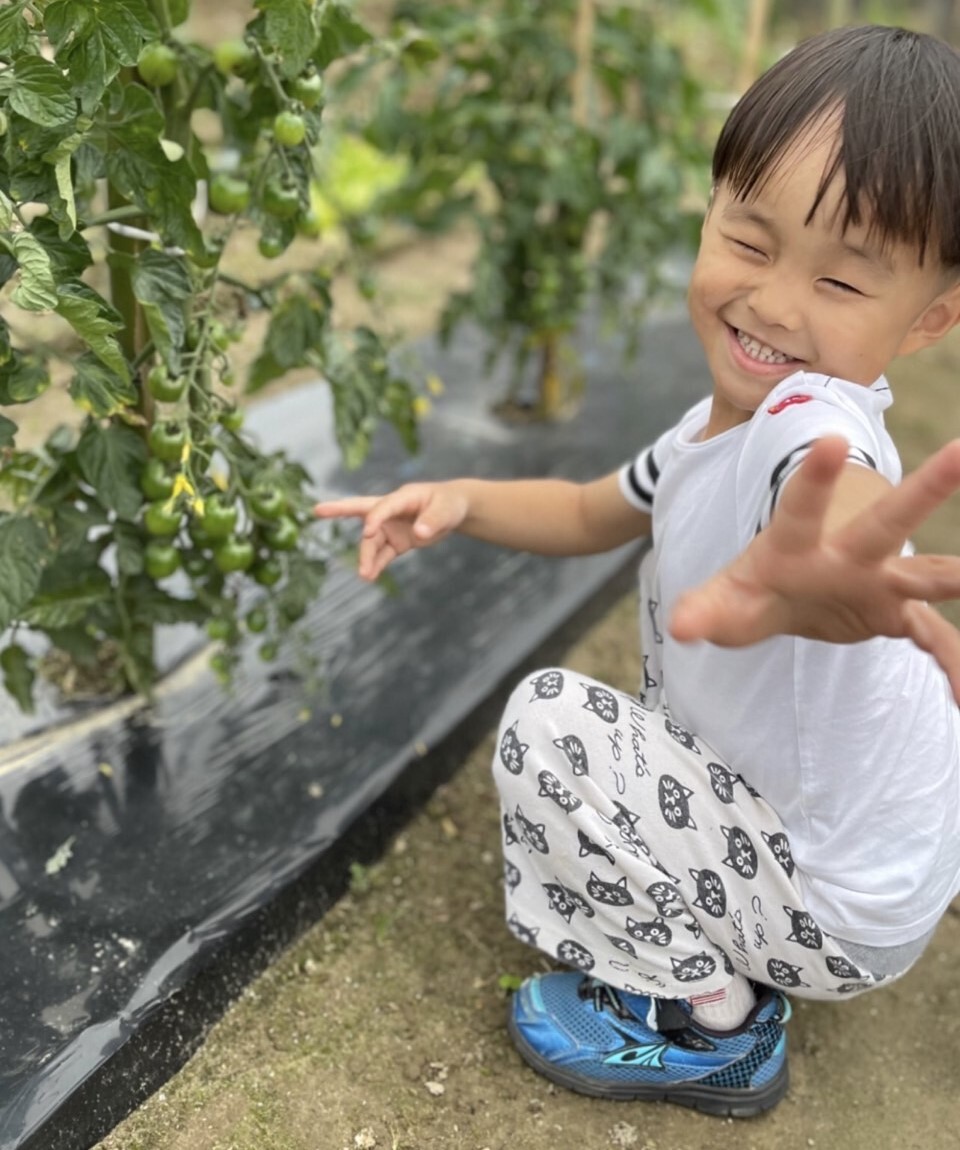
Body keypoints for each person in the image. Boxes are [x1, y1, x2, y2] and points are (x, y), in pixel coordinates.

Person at [315, 24, 960, 1119]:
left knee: (555, 725)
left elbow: (826, 479)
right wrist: (463, 500)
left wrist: (828, 574)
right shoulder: (711, 426)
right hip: (866, 863)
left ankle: (710, 1022)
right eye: (750, 243)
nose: (775, 303)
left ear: (931, 318)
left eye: (843, 282)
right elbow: (586, 509)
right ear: (708, 212)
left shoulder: (808, 421)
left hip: (834, 905)